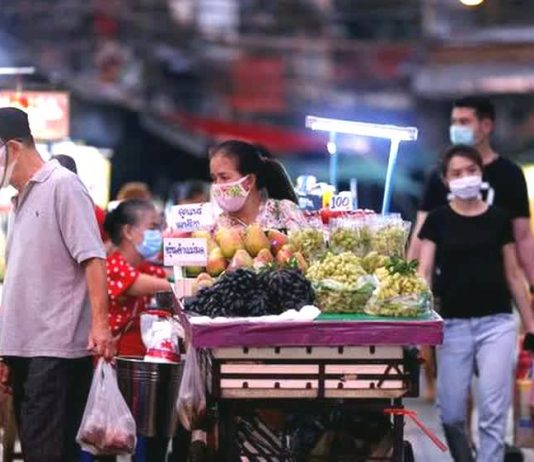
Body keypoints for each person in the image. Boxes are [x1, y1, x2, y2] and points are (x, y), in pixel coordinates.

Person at [0, 107, 115, 462]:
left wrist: (100, 324)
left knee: (45, 451)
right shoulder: (19, 200)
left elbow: (93, 258)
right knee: (43, 450)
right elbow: (23, 279)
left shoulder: (62, 185)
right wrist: (7, 350)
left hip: (55, 348)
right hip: (27, 349)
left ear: (13, 148)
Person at [407, 96, 534, 403]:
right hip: (449, 295)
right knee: (455, 393)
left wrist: (532, 285)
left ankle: (492, 431)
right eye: (453, 122)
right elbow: (421, 233)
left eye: (464, 121)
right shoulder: (440, 176)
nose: (456, 128)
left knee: (494, 385)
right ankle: (459, 429)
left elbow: (523, 238)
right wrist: (408, 283)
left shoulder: (509, 175)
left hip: (496, 298)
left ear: (486, 125)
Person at [417, 145, 534, 462]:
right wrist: (418, 323)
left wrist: (531, 326)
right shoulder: (437, 220)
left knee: (494, 413)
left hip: (497, 325)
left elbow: (513, 274)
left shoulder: (499, 219)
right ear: (446, 181)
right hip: (452, 326)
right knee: (451, 413)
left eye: (471, 170)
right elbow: (423, 272)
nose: (465, 177)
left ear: (481, 174)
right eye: (457, 173)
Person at [103, 199, 170, 357]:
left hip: (135, 353)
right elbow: (168, 285)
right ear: (128, 232)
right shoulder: (114, 268)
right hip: (117, 358)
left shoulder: (140, 266)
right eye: (152, 227)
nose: (158, 234)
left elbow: (170, 277)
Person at [209, 140, 305, 229]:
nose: (218, 185)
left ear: (249, 180)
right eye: (214, 179)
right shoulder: (217, 227)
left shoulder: (284, 212)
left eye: (224, 177)